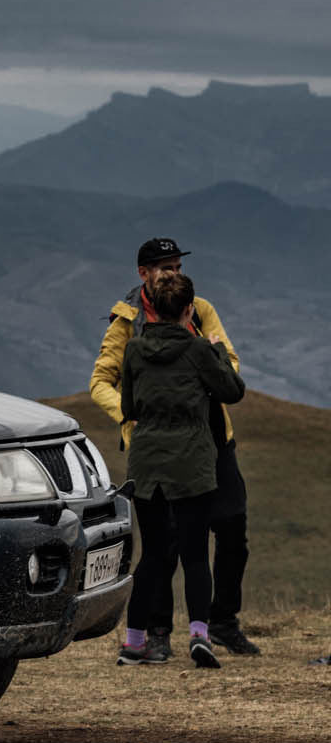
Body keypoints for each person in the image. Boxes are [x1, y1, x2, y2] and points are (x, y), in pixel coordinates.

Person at [89, 237, 259, 659]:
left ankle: (222, 622)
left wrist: (197, 382)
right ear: (143, 274)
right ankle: (161, 632)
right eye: (167, 267)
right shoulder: (125, 323)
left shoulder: (199, 309)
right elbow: (101, 383)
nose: (175, 274)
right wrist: (132, 419)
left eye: (178, 266)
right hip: (161, 443)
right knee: (165, 545)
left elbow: (230, 361)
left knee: (232, 529)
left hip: (213, 439)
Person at [115, 271, 245, 668]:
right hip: (192, 462)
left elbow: (129, 408)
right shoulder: (198, 350)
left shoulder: (134, 350)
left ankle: (135, 642)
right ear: (189, 310)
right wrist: (217, 349)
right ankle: (199, 635)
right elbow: (233, 391)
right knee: (193, 555)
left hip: (147, 462)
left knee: (152, 556)